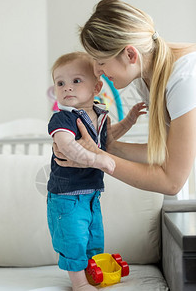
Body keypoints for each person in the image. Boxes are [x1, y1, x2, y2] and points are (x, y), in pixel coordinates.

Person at [54, 0, 196, 196]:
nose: (97, 71)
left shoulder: (185, 79)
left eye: (101, 62)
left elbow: (172, 182)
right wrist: (107, 147)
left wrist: (97, 158)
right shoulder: (143, 77)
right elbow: (165, 153)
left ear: (130, 55)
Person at [47, 51, 146, 291]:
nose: (67, 88)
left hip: (91, 192)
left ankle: (92, 275)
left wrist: (129, 121)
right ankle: (79, 283)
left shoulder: (100, 114)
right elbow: (67, 147)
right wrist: (97, 160)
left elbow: (107, 140)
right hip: (67, 196)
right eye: (61, 83)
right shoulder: (63, 119)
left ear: (97, 87)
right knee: (73, 239)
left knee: (93, 236)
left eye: (76, 81)